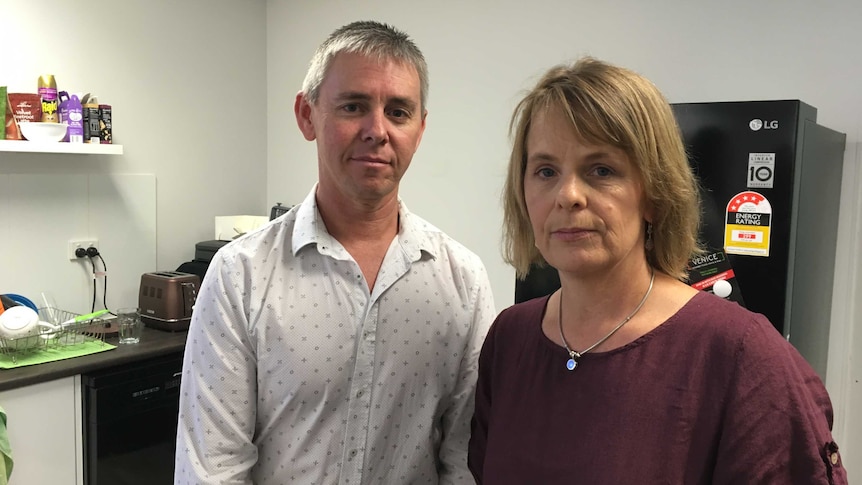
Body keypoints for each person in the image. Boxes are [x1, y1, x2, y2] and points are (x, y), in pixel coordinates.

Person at [468, 57, 847, 484]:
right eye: (545, 171)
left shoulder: (740, 354)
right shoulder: (510, 339)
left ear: (654, 194)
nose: (568, 195)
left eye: (601, 170)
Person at [175, 20, 495, 484]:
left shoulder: (462, 281)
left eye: (399, 112)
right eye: (353, 106)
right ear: (307, 115)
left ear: (420, 130)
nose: (377, 130)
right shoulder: (239, 276)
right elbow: (213, 467)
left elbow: (463, 461)